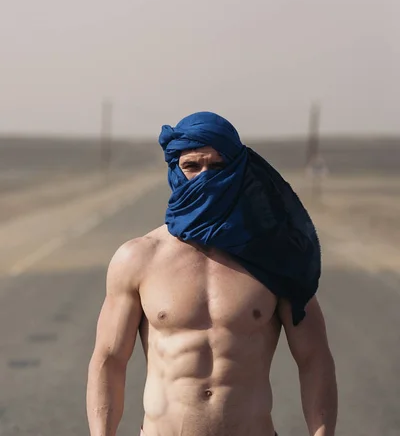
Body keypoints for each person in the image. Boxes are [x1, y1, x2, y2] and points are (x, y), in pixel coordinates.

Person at [87, 112, 338, 436]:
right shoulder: (138, 257)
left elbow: (314, 358)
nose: (205, 177)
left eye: (217, 167)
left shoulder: (275, 257)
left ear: (238, 171)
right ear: (175, 171)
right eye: (192, 166)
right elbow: (109, 360)